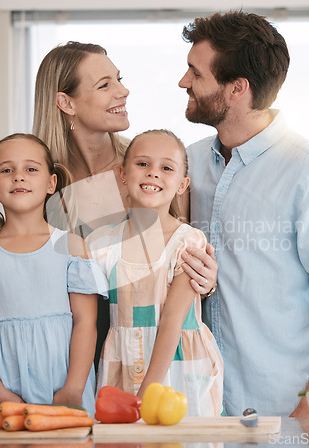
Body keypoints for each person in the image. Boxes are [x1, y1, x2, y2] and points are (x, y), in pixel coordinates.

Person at [0, 42, 218, 369]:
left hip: (154, 355)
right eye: (105, 85)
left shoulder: (153, 172)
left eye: (119, 79)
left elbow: (181, 253)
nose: (124, 91)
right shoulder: (38, 181)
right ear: (65, 102)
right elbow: (14, 263)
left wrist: (206, 280)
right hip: (66, 361)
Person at [177, 11, 309, 417]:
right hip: (198, 411)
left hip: (281, 415)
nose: (183, 82)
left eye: (195, 73)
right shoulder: (188, 165)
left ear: (236, 88)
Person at [0, 133, 108, 415]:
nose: (18, 177)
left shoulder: (72, 247)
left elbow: (85, 322)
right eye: (6, 170)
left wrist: (74, 388)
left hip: (64, 389)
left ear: (52, 183)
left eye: (31, 169)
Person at [87, 129, 223, 417]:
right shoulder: (100, 243)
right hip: (120, 363)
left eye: (166, 168)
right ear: (122, 174)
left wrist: (146, 394)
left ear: (182, 184)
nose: (153, 174)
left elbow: (173, 320)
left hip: (180, 368)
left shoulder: (188, 241)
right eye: (142, 164)